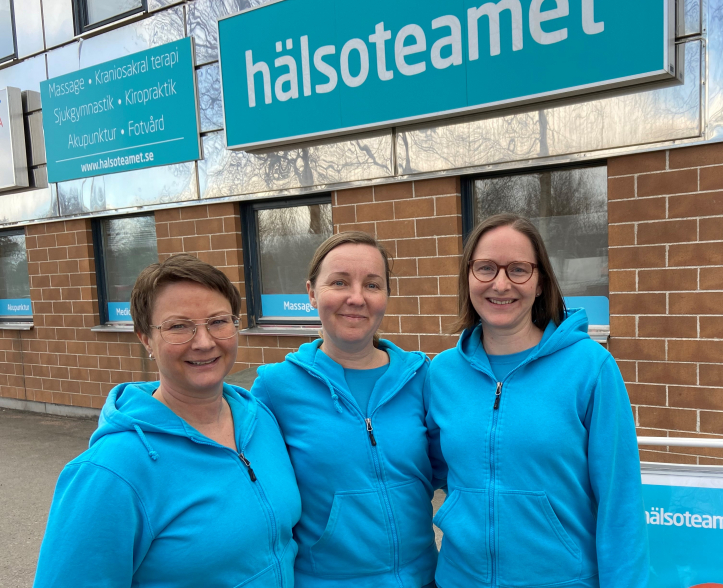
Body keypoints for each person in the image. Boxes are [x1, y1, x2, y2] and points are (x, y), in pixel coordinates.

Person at [33, 254, 301, 588]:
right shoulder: (110, 472)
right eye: (178, 326)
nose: (204, 342)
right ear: (145, 338)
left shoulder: (261, 419)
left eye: (218, 321)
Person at [426, 213, 648, 588]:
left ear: (540, 281)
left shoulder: (590, 367)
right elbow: (433, 471)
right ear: (468, 277)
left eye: (518, 269)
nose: (500, 284)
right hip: (459, 578)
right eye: (485, 268)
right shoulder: (442, 373)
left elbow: (620, 501)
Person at [251, 231, 439, 588]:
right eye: (339, 282)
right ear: (311, 293)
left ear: (386, 295)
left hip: (424, 577)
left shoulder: (421, 377)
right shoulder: (275, 388)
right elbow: (262, 496)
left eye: (372, 285)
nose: (356, 298)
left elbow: (446, 467)